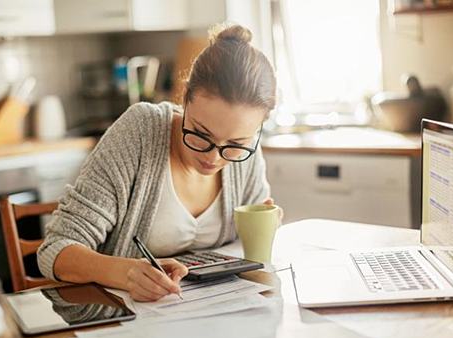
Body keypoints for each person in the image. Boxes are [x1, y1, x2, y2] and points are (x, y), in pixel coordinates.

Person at [37, 24, 277, 302]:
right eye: (201, 134)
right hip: (125, 321)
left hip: (214, 315)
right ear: (185, 96)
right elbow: (55, 250)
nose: (213, 157)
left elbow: (249, 250)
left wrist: (266, 225)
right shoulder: (140, 132)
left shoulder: (246, 153)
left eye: (235, 144)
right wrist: (125, 272)